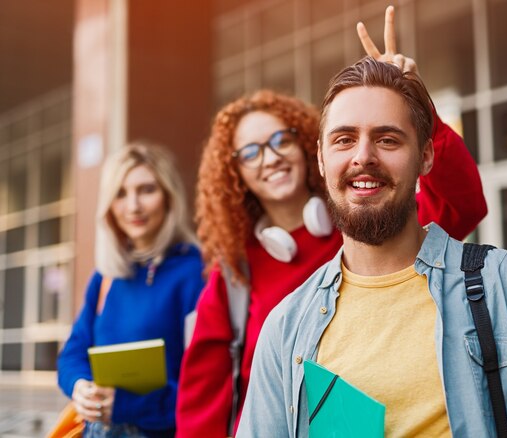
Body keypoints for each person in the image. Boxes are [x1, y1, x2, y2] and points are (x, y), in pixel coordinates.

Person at [236, 56, 507, 437]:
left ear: (425, 156)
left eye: (387, 139)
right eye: (344, 139)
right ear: (321, 158)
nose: (363, 155)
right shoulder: (285, 327)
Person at [176, 7, 487, 437]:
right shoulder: (235, 275)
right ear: (235, 175)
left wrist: (415, 105)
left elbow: (463, 204)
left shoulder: (370, 223)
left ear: (309, 148)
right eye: (250, 152)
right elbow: (202, 409)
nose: (269, 157)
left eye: (279, 139)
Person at [57, 142, 204, 437]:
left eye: (146, 190)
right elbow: (72, 353)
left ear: (168, 197)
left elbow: (202, 385)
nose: (133, 206)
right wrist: (80, 386)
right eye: (121, 194)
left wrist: (127, 404)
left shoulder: (194, 272)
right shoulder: (106, 276)